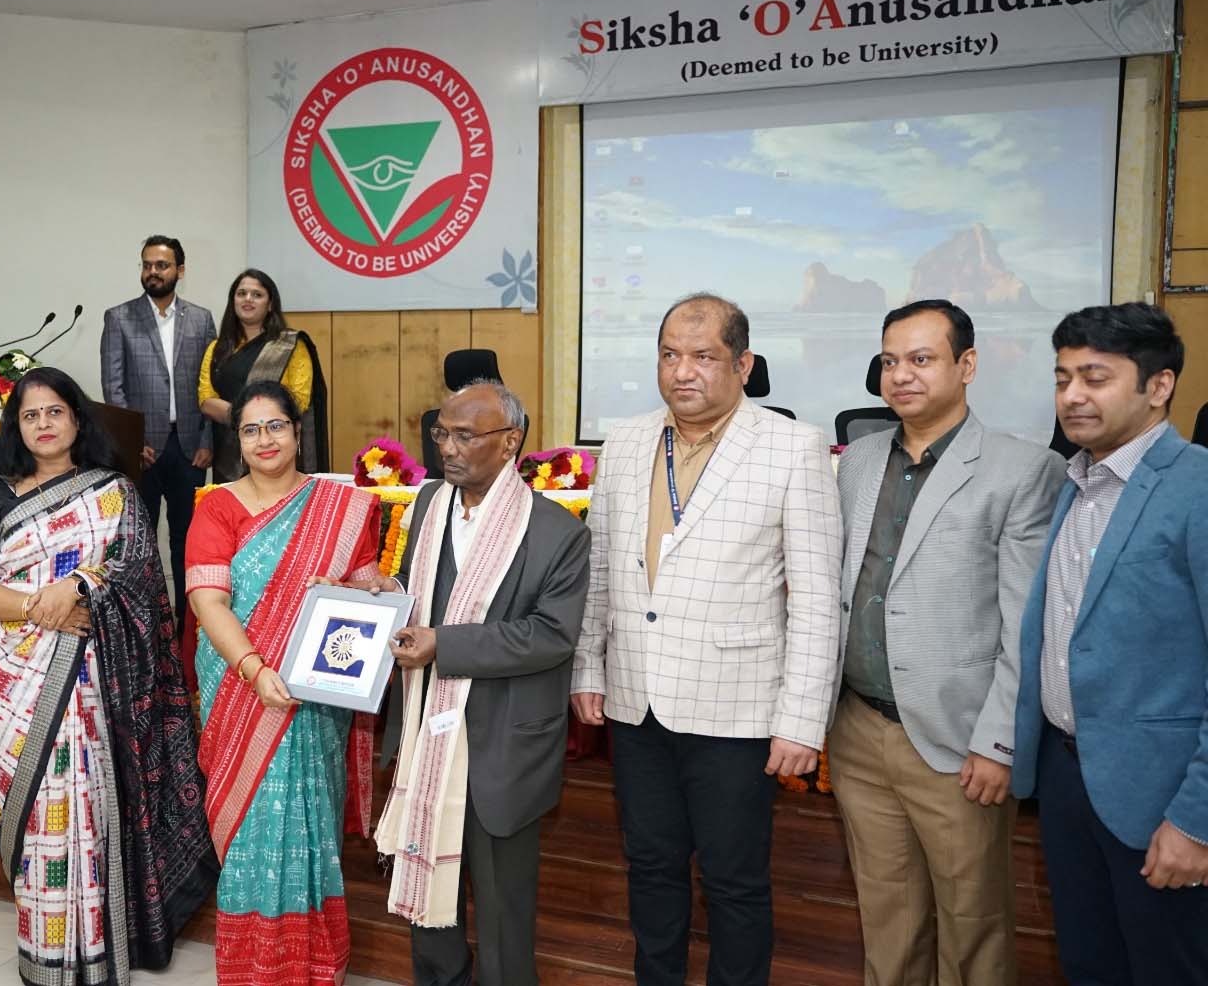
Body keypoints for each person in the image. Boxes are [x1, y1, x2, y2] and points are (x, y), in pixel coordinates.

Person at [570, 293, 841, 986]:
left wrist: (801, 720)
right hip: (637, 701)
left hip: (737, 709)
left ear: (743, 365)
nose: (682, 371)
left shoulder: (793, 447)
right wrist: (588, 666)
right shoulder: (626, 442)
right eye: (669, 355)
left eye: (702, 356)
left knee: (734, 880)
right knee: (650, 865)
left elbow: (816, 598)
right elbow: (600, 567)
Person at [0, 367, 217, 983]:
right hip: (13, 674)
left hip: (92, 670)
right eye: (30, 415)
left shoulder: (113, 491)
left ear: (77, 419)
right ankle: (44, 953)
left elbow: (141, 575)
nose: (44, 424)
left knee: (88, 805)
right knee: (37, 814)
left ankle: (97, 946)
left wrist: (79, 583)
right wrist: (37, 606)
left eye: (55, 412)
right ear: (15, 427)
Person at [830, 300, 1064, 986]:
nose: (901, 375)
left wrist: (1000, 743)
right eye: (890, 361)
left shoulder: (1023, 469)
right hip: (858, 729)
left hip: (960, 743)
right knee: (887, 916)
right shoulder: (857, 460)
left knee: (973, 927)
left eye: (921, 359)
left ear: (967, 365)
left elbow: (1026, 624)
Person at [1011, 303, 1208, 985]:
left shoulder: (1198, 486)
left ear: (1159, 386)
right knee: (1089, 965)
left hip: (1162, 796)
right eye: (1062, 377)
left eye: (1095, 378)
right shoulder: (1078, 482)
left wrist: (1197, 821)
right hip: (1068, 778)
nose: (1072, 396)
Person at [368, 380, 589, 986]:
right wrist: (388, 595)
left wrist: (445, 644)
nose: (448, 448)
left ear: (510, 441)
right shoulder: (428, 504)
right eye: (442, 433)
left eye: (465, 436)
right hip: (427, 727)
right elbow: (422, 593)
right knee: (425, 889)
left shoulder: (557, 532)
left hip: (505, 741)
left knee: (502, 907)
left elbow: (551, 635)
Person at [185, 379, 381, 986]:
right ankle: (255, 970)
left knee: (309, 824)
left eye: (275, 426)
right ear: (237, 441)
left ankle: (312, 967)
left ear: (298, 432)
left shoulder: (341, 508)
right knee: (252, 831)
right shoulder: (217, 507)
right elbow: (208, 602)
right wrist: (255, 669)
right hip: (242, 690)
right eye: (250, 429)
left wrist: (358, 590)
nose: (264, 439)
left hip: (315, 695)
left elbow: (369, 588)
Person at [100, 234, 217, 623]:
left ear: (179, 271)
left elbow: (210, 386)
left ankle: (188, 628)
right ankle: (148, 629)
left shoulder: (201, 319)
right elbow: (113, 388)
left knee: (189, 542)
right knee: (140, 544)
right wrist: (130, 442)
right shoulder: (119, 317)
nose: (153, 271)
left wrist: (207, 439)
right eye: (147, 264)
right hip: (143, 452)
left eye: (161, 265)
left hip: (190, 448)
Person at [197, 269, 329, 481]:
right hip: (229, 456)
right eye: (241, 293)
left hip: (275, 450)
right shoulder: (216, 348)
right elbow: (205, 399)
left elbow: (299, 400)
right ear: (233, 301)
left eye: (257, 294)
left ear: (270, 305)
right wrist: (245, 418)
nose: (248, 299)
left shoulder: (290, 346)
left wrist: (252, 421)